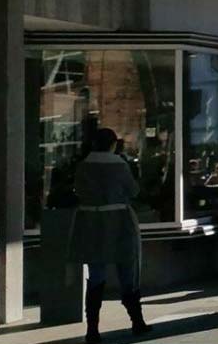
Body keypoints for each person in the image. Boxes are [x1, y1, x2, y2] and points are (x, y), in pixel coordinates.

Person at [73, 128, 148, 340]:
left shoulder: (83, 166)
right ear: (113, 144)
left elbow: (78, 190)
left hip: (91, 222)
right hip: (119, 220)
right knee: (128, 270)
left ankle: (92, 329)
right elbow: (133, 190)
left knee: (96, 275)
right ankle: (137, 321)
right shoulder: (120, 165)